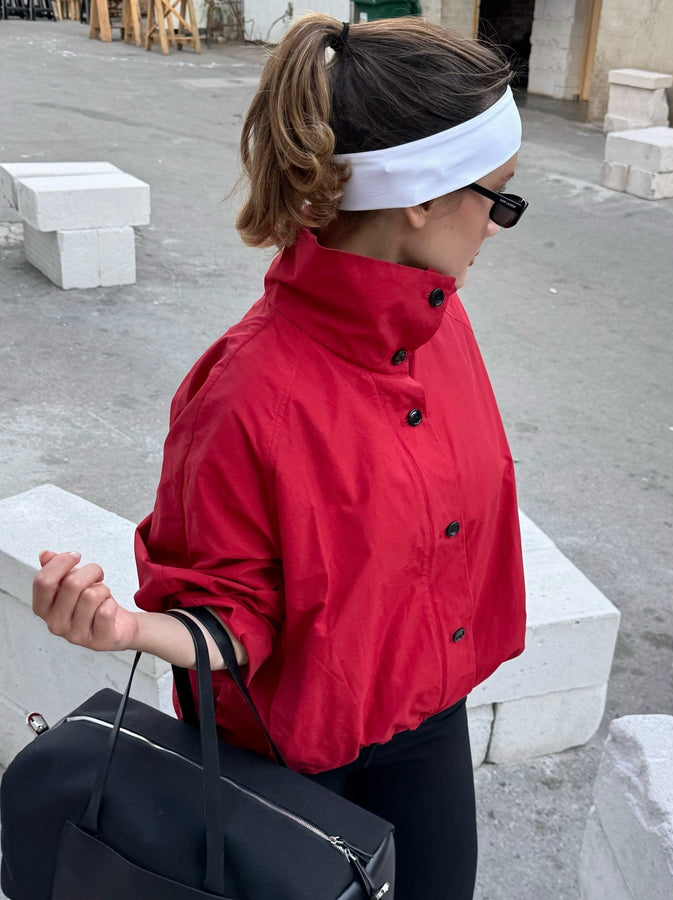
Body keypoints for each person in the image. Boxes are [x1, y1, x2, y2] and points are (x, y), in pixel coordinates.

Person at [32, 13, 527, 900]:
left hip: (427, 714)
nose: (499, 228)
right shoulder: (245, 396)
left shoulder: (439, 323)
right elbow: (233, 605)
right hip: (298, 758)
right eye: (502, 199)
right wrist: (128, 630)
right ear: (419, 197)